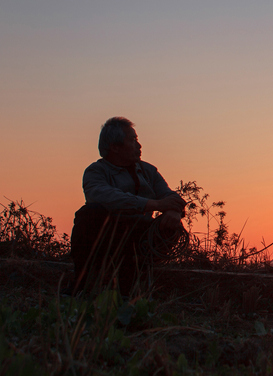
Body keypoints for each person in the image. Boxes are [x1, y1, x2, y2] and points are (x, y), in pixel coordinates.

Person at [71, 117, 187, 295]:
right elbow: (104, 196)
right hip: (111, 233)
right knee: (88, 214)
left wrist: (174, 211)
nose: (139, 146)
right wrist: (154, 204)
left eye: (137, 140)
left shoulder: (149, 171)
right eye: (132, 140)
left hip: (141, 234)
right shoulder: (96, 172)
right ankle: (82, 285)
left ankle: (136, 279)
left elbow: (170, 195)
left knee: (170, 224)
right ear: (115, 147)